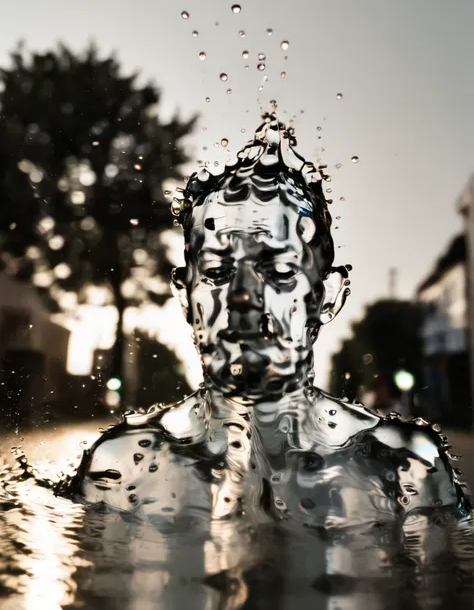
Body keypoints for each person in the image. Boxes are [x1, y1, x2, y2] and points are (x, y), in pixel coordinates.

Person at [73, 113, 470, 526]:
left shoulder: (405, 471)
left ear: (326, 297)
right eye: (216, 273)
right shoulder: (122, 469)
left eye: (279, 272)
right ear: (184, 297)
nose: (243, 296)